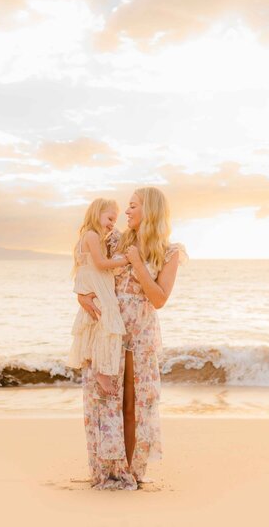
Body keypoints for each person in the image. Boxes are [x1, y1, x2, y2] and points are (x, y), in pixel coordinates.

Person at [77, 186, 187, 490]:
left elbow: (160, 298)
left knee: (133, 404)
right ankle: (111, 470)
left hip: (140, 332)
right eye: (127, 207)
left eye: (133, 206)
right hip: (109, 329)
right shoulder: (115, 240)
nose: (126, 212)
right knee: (107, 401)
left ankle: (130, 471)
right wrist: (81, 295)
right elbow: (88, 264)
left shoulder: (170, 252)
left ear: (149, 211)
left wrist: (138, 263)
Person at [67, 198, 129, 396]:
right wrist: (127, 260)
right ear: (96, 214)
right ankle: (101, 370)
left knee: (97, 323)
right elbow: (101, 264)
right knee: (106, 322)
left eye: (115, 220)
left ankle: (94, 361)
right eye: (110, 218)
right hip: (98, 285)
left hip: (94, 284)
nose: (112, 224)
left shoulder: (89, 236)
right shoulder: (92, 236)